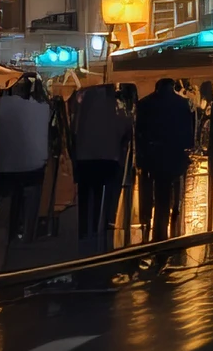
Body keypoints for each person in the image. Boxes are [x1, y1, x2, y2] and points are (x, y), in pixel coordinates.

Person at [69, 78, 130, 252]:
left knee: (85, 195)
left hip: (84, 158)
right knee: (99, 197)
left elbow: (73, 131)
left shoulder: (83, 106)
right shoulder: (116, 106)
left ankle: (83, 231)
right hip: (107, 158)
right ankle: (97, 230)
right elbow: (125, 128)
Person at [136, 75, 197, 237]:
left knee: (153, 186)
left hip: (153, 152)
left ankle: (150, 219)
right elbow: (188, 132)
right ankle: (167, 219)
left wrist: (141, 153)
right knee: (169, 185)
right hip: (173, 152)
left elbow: (139, 131)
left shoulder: (145, 103)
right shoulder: (182, 104)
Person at [0, 77, 50, 245]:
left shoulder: (5, 106)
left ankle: (8, 237)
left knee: (10, 204)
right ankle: (27, 237)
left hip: (8, 166)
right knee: (31, 205)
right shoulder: (42, 108)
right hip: (34, 166)